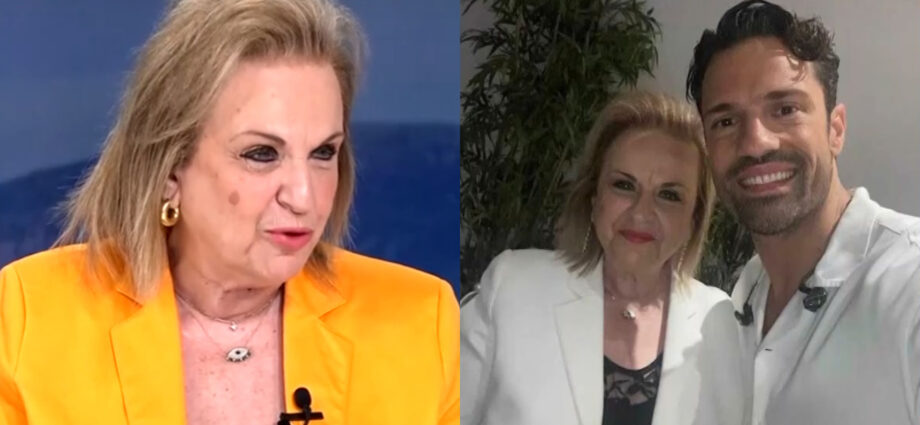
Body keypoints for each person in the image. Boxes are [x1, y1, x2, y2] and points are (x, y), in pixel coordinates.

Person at [0, 1, 459, 424]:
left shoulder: (423, 325)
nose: (304, 196)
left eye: (323, 153)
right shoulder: (29, 320)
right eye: (261, 154)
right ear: (169, 170)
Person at [686, 1, 920, 424]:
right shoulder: (743, 298)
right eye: (726, 122)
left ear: (835, 129)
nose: (755, 143)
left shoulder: (908, 283)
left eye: (785, 110)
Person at [460, 91, 746, 425]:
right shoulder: (512, 287)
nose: (641, 212)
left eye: (669, 195)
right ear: (594, 198)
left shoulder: (721, 322)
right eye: (624, 185)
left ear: (694, 219)